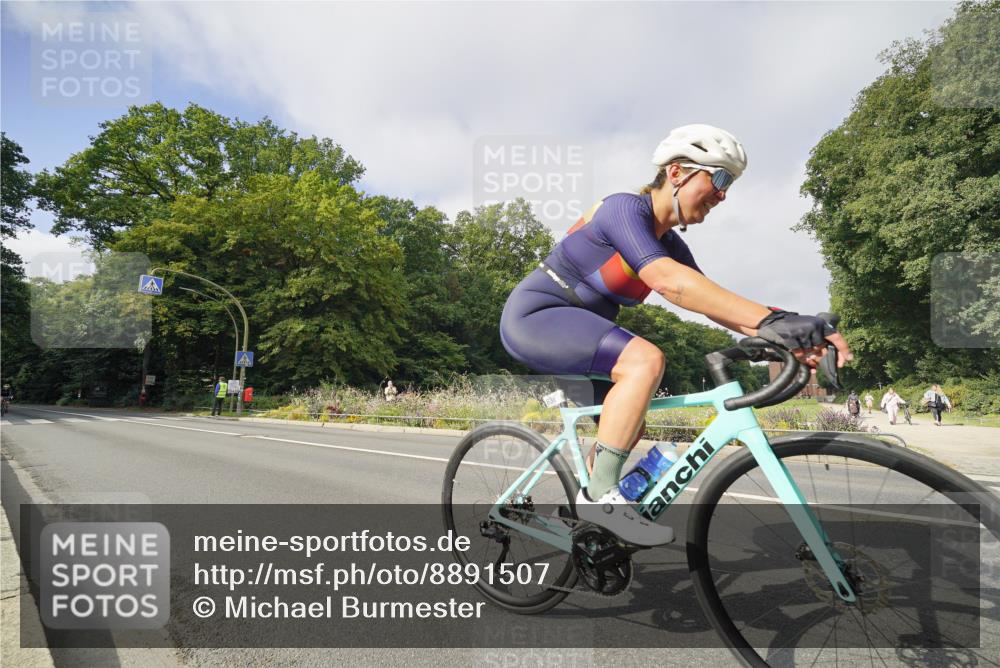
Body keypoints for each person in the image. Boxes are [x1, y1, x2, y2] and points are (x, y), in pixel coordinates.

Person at [499, 124, 852, 546]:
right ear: (678, 172)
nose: (723, 195)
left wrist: (788, 326)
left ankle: (588, 517)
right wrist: (771, 323)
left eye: (730, 186)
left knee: (630, 421)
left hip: (582, 334)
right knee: (644, 361)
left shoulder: (671, 246)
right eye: (720, 179)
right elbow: (669, 283)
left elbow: (711, 301)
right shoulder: (623, 209)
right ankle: (600, 499)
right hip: (537, 318)